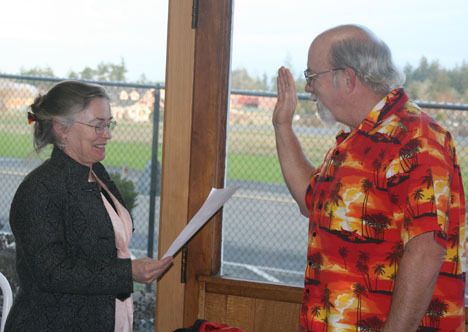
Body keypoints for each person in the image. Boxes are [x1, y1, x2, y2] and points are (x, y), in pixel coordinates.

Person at [273, 24, 465, 331]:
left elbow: (427, 251)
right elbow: (311, 201)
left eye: (312, 77)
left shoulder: (416, 139)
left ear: (347, 78)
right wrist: (282, 126)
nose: (309, 89)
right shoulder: (359, 140)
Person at [5, 80, 173, 332]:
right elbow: (52, 272)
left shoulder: (97, 173)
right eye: (98, 126)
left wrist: (131, 269)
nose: (108, 134)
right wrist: (127, 272)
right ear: (62, 128)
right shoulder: (39, 190)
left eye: (109, 124)